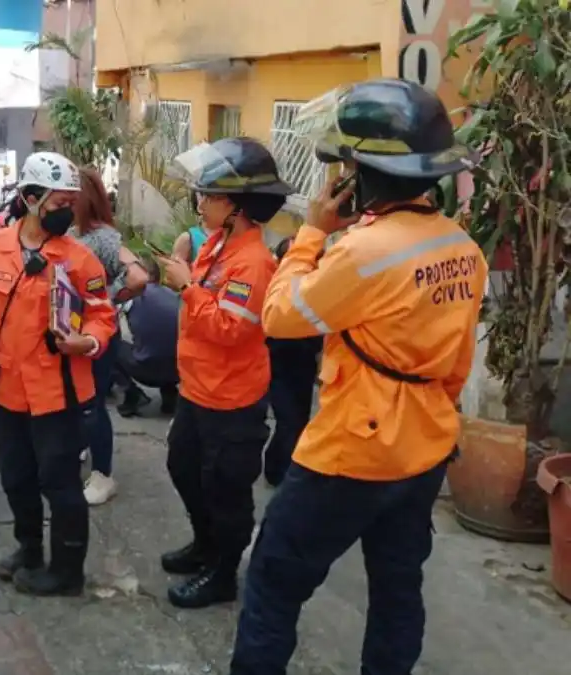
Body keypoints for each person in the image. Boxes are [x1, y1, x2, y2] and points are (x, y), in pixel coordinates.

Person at [231, 79, 487, 674]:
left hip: (349, 455)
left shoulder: (362, 252)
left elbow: (279, 317)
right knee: (398, 593)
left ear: (360, 174)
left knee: (273, 582)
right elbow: (455, 367)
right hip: (424, 450)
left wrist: (315, 232)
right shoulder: (463, 248)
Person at [0, 152, 116, 597]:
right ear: (29, 197)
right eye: (59, 201)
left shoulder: (79, 260)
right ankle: (29, 548)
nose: (67, 210)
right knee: (15, 476)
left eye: (71, 202)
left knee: (59, 483)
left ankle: (67, 569)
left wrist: (89, 341)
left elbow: (103, 315)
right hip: (4, 389)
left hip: (57, 393)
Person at [156, 137, 290, 609]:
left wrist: (187, 286)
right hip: (199, 389)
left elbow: (230, 328)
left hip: (232, 400)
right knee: (183, 467)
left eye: (211, 197)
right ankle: (205, 544)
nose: (202, 203)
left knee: (227, 490)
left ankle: (223, 573)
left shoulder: (253, 262)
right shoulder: (217, 244)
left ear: (237, 207)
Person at [72, 166, 148, 505]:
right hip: (68, 334)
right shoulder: (67, 231)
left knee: (91, 405)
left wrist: (104, 300)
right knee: (73, 402)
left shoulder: (101, 236)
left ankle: (102, 475)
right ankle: (79, 448)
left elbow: (138, 277)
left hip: (96, 336)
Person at [262, 236, 323, 486]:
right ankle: (278, 472)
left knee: (298, 421)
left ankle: (279, 466)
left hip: (304, 366)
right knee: (290, 423)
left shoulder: (318, 290)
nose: (314, 266)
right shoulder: (276, 289)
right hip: (277, 365)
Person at [114, 263, 181, 418]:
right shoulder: (174, 296)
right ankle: (169, 394)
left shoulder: (132, 297)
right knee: (165, 341)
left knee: (109, 345)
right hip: (179, 371)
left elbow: (109, 324)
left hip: (147, 371)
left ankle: (132, 394)